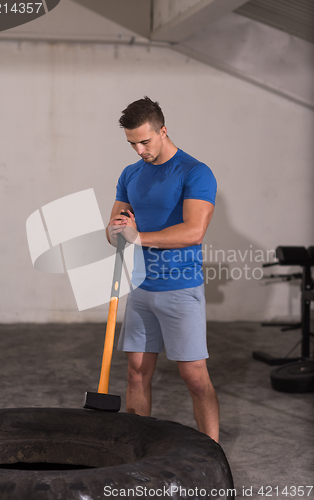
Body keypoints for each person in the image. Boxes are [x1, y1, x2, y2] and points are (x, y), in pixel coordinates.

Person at [106, 97, 219, 442]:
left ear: (163, 130)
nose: (139, 150)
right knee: (137, 372)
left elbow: (193, 231)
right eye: (132, 143)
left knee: (194, 376)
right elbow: (115, 232)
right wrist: (115, 232)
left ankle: (213, 454)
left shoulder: (195, 172)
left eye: (145, 141)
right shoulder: (130, 174)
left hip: (181, 288)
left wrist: (137, 237)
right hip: (141, 288)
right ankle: (136, 450)